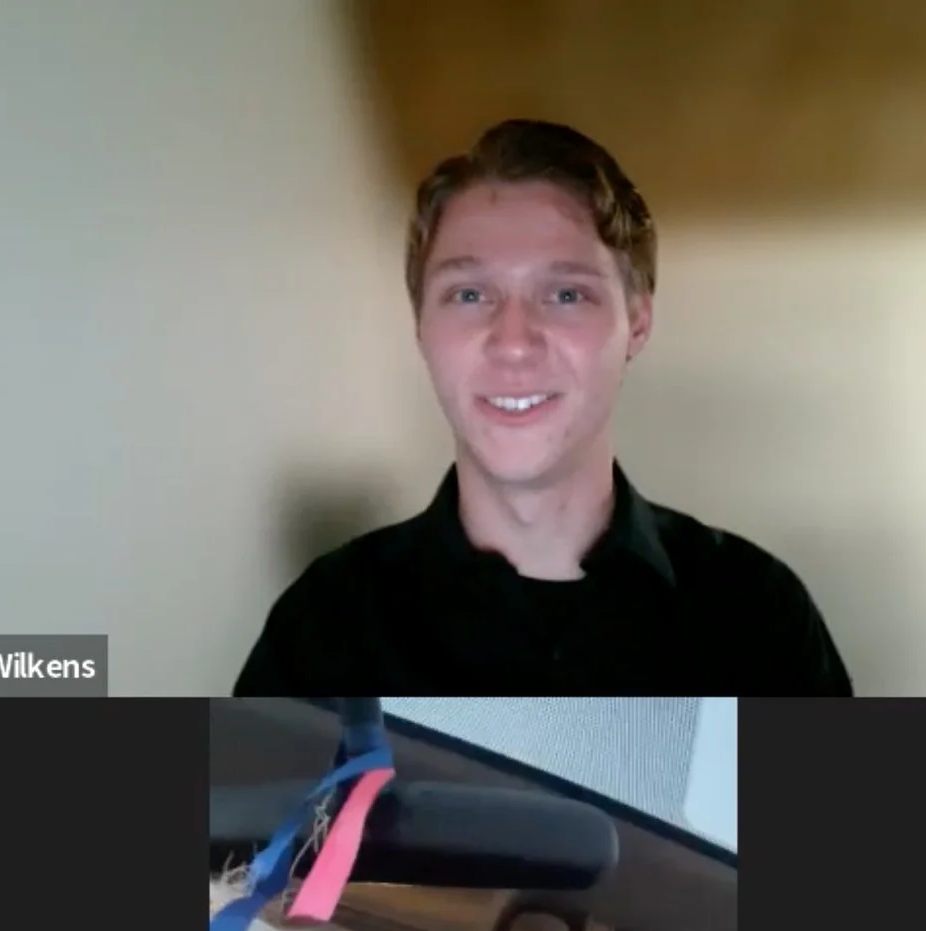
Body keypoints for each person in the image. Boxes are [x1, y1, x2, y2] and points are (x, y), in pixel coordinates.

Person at [233, 119, 851, 696]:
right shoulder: (322, 629)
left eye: (565, 294)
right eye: (468, 294)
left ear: (636, 323)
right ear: (421, 326)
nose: (513, 341)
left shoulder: (760, 614)